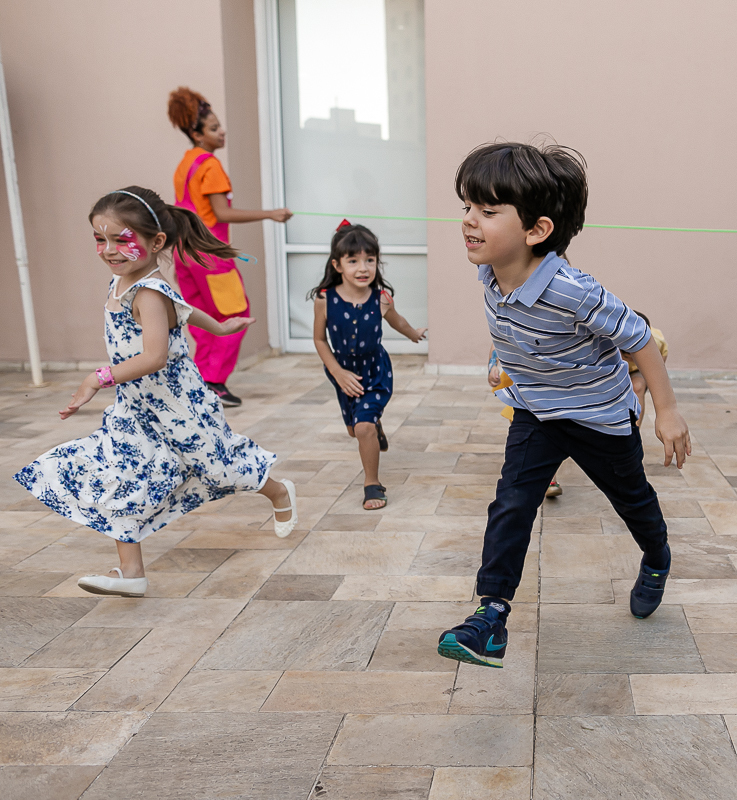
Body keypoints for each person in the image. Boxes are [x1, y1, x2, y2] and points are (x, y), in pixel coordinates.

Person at [438, 142, 691, 669]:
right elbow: (514, 323)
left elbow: (641, 337)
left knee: (632, 500)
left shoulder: (573, 290)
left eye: (487, 212)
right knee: (511, 503)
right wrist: (505, 359)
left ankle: (657, 557)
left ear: (537, 231)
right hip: (536, 411)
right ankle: (491, 617)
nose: (468, 222)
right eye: (466, 207)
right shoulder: (490, 271)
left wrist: (666, 412)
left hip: (599, 415)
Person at [13, 187, 298, 598]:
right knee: (119, 473)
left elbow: (154, 356)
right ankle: (132, 575)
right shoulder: (122, 280)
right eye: (100, 239)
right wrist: (217, 325)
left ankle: (278, 489)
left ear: (156, 242)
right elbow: (182, 308)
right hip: (136, 408)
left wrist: (97, 378)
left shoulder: (147, 290)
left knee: (218, 468)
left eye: (120, 240)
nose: (109, 249)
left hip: (179, 406)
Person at [167, 87, 293, 408]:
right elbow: (222, 213)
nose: (222, 132)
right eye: (213, 128)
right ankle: (213, 382)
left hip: (185, 252)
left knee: (204, 317)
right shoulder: (210, 165)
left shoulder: (186, 163)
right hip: (210, 255)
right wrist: (271, 214)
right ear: (196, 133)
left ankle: (201, 378)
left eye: (219, 126)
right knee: (235, 315)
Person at [310, 221, 428, 510]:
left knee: (363, 428)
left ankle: (371, 484)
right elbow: (319, 340)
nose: (363, 268)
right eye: (353, 261)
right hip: (343, 372)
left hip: (375, 370)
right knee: (355, 430)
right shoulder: (325, 300)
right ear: (338, 265)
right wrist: (337, 372)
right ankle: (374, 426)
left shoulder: (381, 299)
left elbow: (396, 319)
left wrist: (412, 333)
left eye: (370, 260)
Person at [488, 344, 564, 498]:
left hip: (545, 378)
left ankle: (551, 478)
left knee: (550, 429)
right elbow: (496, 342)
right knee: (519, 428)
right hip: (518, 379)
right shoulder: (507, 320)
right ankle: (520, 474)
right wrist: (493, 366)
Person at [622, 310, 669, 427]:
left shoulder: (657, 343)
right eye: (628, 354)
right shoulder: (608, 341)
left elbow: (657, 374)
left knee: (637, 387)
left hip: (640, 368)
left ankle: (636, 430)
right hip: (617, 365)